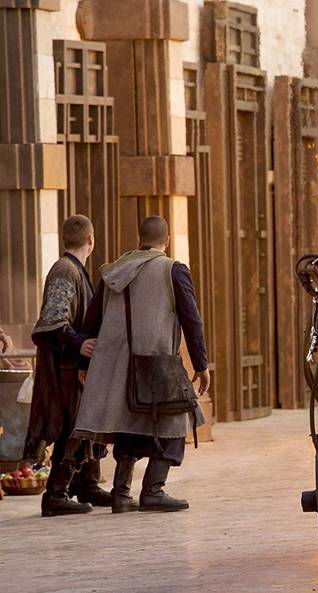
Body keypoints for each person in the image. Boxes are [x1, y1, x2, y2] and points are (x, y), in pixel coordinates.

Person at [74, 216, 209, 513]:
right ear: (167, 240)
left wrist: (82, 362)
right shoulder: (173, 270)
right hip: (159, 363)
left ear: (140, 239)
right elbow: (192, 320)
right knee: (175, 421)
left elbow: (91, 321)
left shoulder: (113, 271)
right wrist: (201, 364)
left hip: (119, 366)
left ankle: (121, 494)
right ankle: (153, 490)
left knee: (130, 423)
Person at [24, 214, 110, 516]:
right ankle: (56, 494)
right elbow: (52, 321)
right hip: (65, 369)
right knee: (74, 425)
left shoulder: (76, 269)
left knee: (89, 422)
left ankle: (86, 484)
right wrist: (79, 342)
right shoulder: (64, 270)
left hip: (79, 368)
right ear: (91, 239)